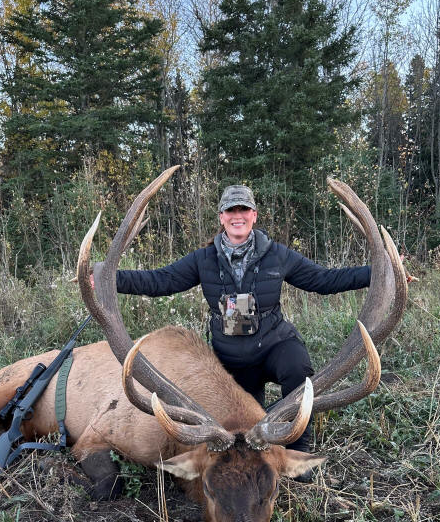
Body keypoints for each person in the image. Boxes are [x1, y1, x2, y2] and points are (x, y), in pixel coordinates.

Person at [98, 184, 372, 453]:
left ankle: (299, 448)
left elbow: (324, 280)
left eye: (244, 209)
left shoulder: (278, 255)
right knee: (242, 429)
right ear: (221, 217)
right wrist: (106, 277)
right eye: (231, 210)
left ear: (254, 215)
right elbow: (161, 280)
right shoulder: (203, 259)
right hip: (231, 360)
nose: (237, 216)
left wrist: (375, 273)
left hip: (274, 345)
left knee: (297, 369)